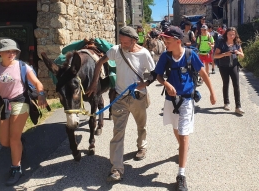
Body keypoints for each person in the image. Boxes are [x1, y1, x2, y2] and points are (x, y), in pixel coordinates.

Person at [86, 26, 156, 181]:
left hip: (138, 97)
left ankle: (142, 146)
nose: (122, 45)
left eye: (126, 43)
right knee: (118, 133)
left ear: (134, 40)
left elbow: (154, 73)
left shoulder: (144, 54)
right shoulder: (116, 50)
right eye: (121, 42)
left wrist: (144, 84)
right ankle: (116, 169)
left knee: (141, 125)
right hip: (120, 98)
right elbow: (99, 63)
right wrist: (93, 83)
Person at [155, 26, 216, 191]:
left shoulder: (190, 55)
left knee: (183, 136)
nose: (164, 43)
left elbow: (203, 73)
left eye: (167, 41)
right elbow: (158, 75)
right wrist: (166, 83)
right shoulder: (165, 57)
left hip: (187, 100)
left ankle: (181, 175)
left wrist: (212, 92)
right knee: (176, 130)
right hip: (170, 101)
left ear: (177, 41)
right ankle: (183, 148)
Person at [0, 39, 48, 186]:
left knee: (13, 138)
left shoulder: (22, 66)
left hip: (20, 102)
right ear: (0, 53)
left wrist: (41, 94)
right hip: (5, 105)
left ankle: (16, 169)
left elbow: (37, 83)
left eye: (13, 51)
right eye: (7, 51)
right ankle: (20, 144)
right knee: (4, 141)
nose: (11, 53)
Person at [213, 27, 245, 115]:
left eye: (233, 34)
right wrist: (225, 54)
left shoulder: (237, 43)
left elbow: (242, 55)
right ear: (226, 34)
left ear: (235, 35)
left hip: (234, 66)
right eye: (230, 34)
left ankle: (238, 107)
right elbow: (215, 56)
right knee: (226, 83)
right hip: (223, 66)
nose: (231, 36)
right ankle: (226, 103)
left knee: (236, 85)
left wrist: (238, 53)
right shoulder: (221, 43)